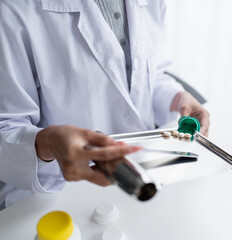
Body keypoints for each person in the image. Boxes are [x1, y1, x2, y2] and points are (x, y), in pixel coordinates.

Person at [0, 0, 210, 210]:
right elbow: (6, 127)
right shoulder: (12, 10)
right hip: (54, 193)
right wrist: (49, 143)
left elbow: (149, 72)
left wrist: (175, 97)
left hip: (139, 169)